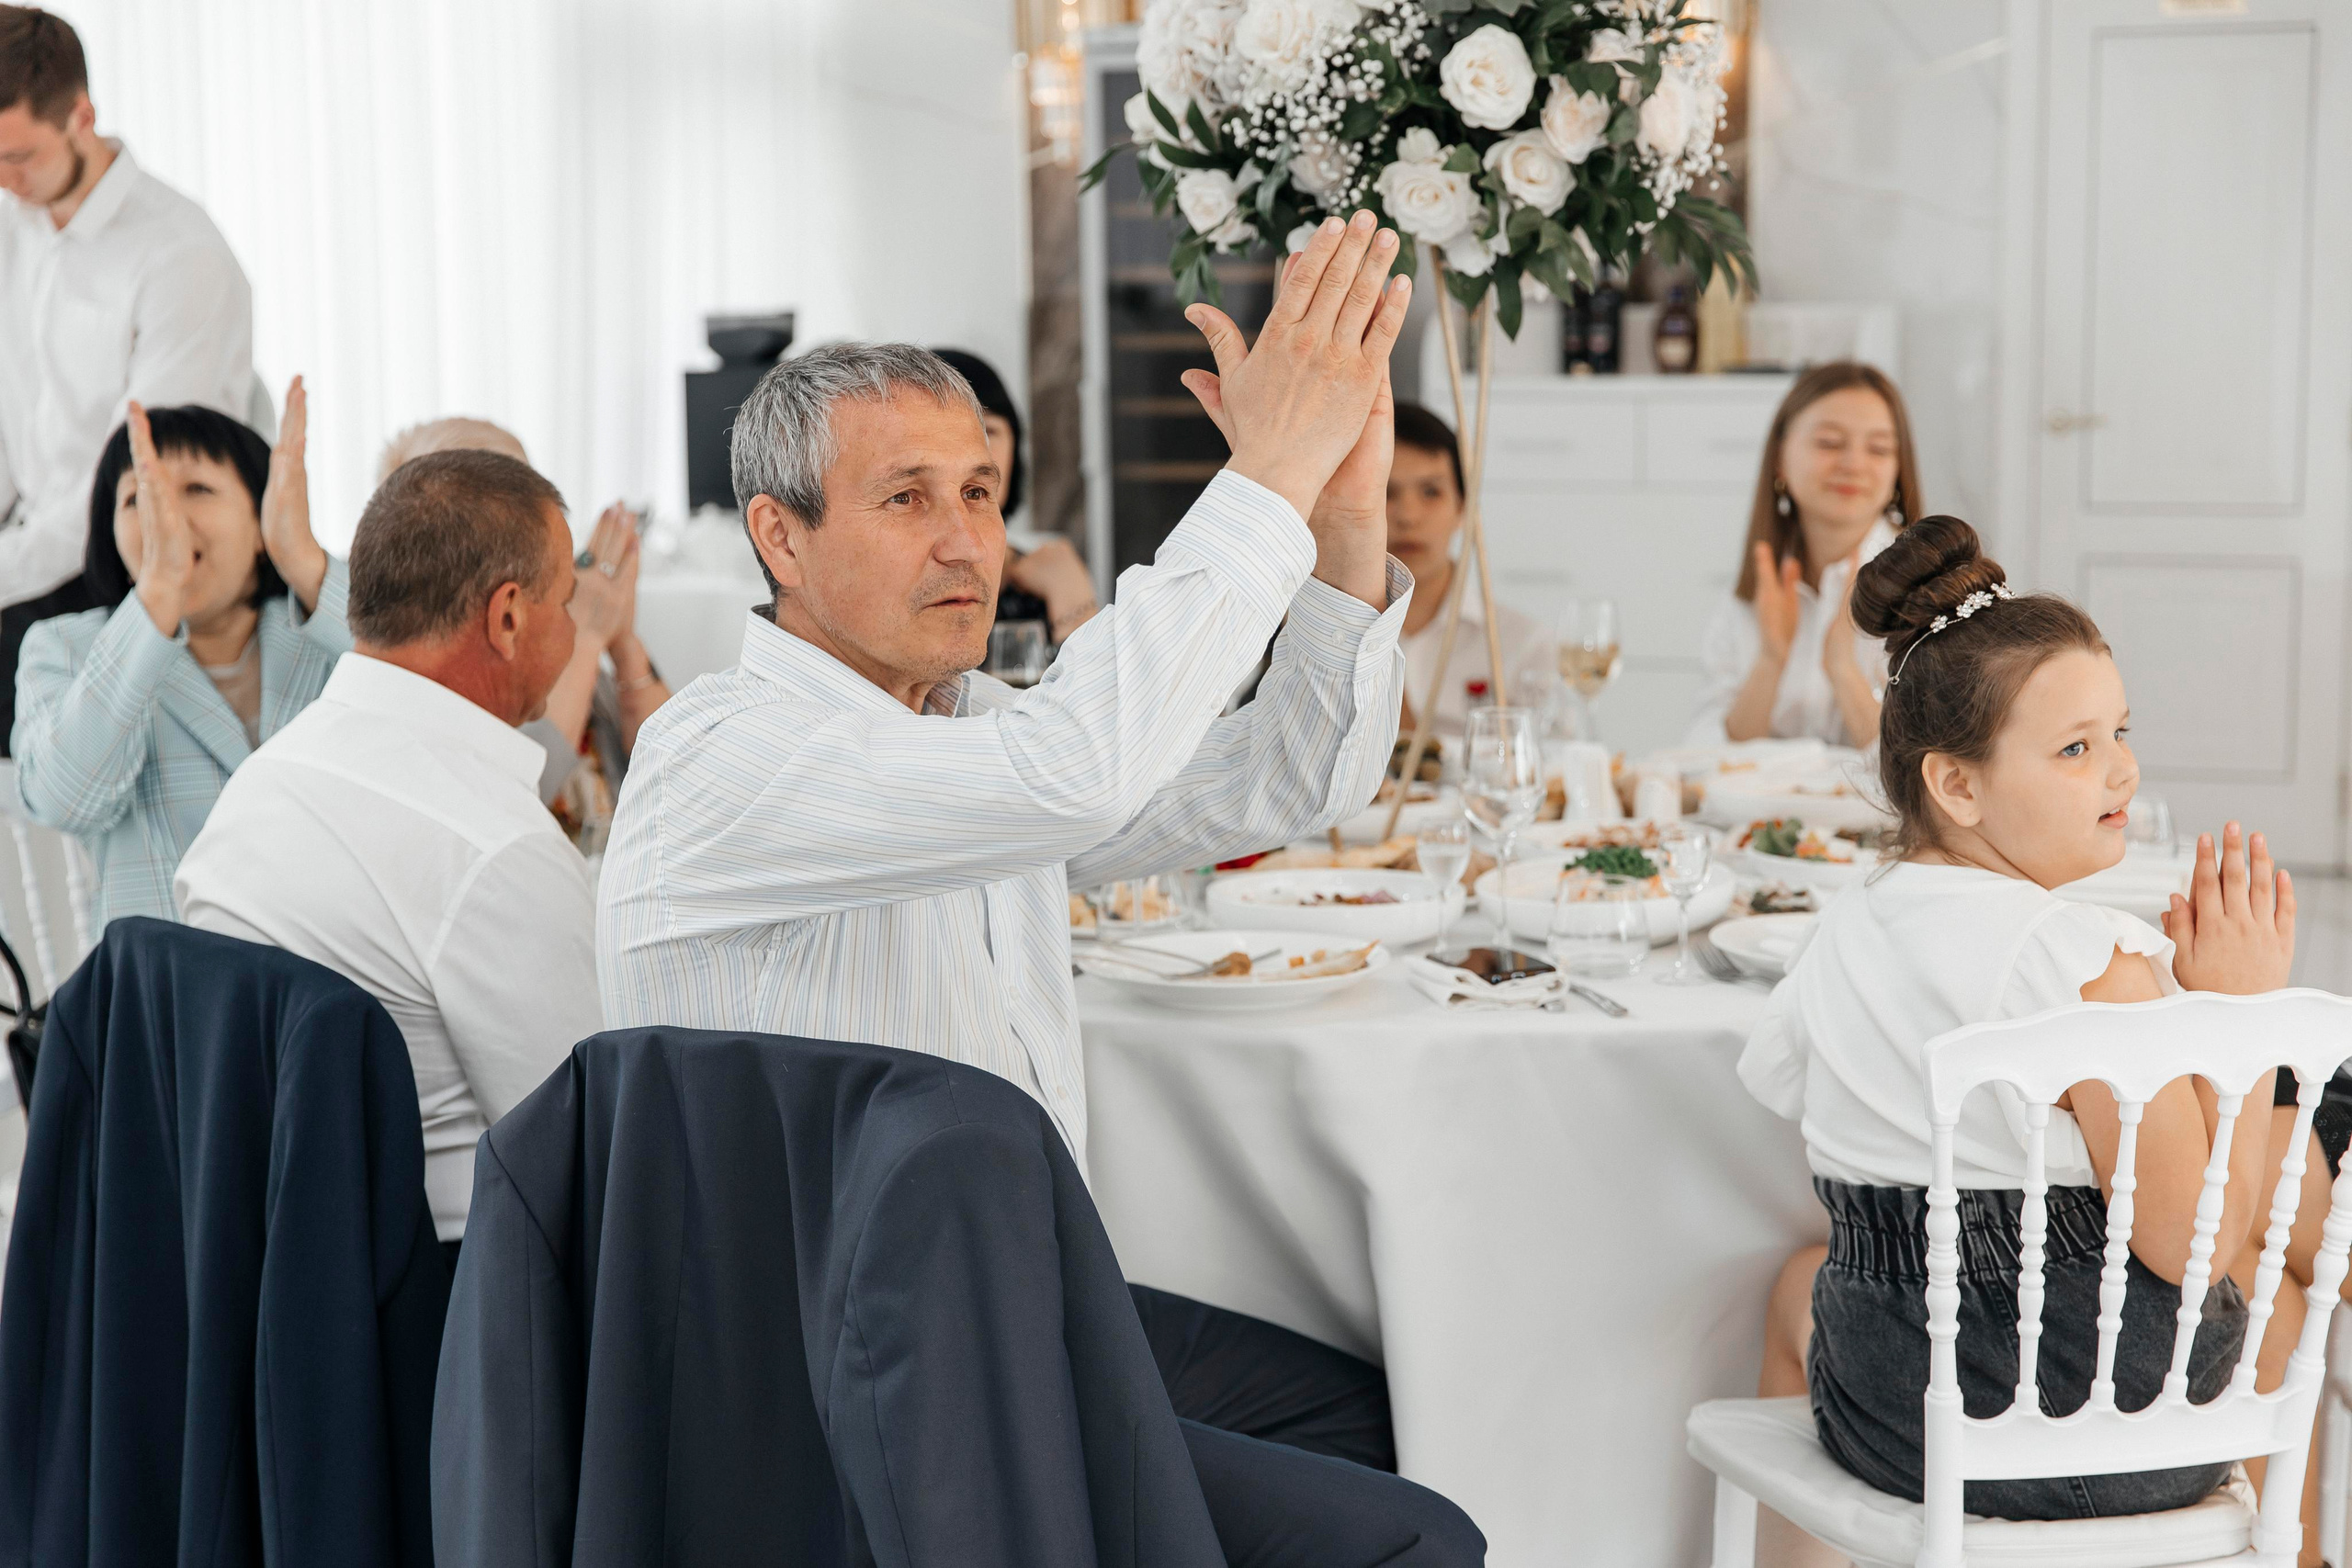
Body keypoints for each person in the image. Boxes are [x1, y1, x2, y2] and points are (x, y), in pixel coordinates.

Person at [601, 216, 1482, 1566]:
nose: (970, 542)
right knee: (1416, 1539)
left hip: (1018, 1311)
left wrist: (1342, 506)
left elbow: (1285, 779)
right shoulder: (728, 756)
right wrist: (1263, 474)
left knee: (1370, 1407)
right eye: (908, 499)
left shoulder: (962, 730)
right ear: (778, 536)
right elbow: (1079, 767)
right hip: (856, 1376)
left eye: (980, 491)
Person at [1739, 515, 2301, 1529]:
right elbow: (2200, 1245)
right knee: (2262, 1286)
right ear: (1954, 784)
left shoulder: (1837, 931)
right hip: (2089, 1424)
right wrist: (2239, 1016)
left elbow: (1790, 1091)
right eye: (2076, 749)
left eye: (2120, 732)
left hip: (1884, 1418)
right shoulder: (2085, 960)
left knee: (1796, 1281)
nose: (2122, 771)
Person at [175, 449, 602, 1256]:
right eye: (569, 601)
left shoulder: (262, 782)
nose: (576, 629)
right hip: (447, 1307)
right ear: (508, 617)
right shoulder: (494, 848)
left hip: (254, 1274)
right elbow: (596, 1156)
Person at [12, 383, 339, 924]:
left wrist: (305, 563)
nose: (166, 515)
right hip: (170, 998)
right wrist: (159, 592)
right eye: (138, 496)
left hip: (338, 989)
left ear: (263, 522)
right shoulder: (66, 648)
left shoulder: (327, 632)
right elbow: (63, 799)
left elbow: (433, 701)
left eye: (197, 490)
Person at [0, 6, 253, 627]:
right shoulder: (16, 222)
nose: (4, 180)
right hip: (28, 542)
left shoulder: (181, 259)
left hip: (121, 563)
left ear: (81, 117)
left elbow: (134, 481)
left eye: (19, 156)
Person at [378, 415, 671, 807]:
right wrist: (587, 635)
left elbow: (681, 771)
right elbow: (516, 800)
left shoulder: (556, 630)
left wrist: (621, 637)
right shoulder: (420, 678)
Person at [1687, 362, 1923, 747]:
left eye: (1879, 449)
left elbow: (1932, 771)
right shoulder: (1756, 590)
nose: (1853, 465)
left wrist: (1842, 668)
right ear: (1780, 458)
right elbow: (1705, 753)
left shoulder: (1931, 588)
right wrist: (1770, 660)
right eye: (1829, 443)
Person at [1385, 400, 1551, 736]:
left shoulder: (1522, 646)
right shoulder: (1312, 635)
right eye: (1385, 492)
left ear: (1463, 508)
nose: (1408, 516)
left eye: (1431, 492)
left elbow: (1552, 771)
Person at [933, 346, 1102, 644]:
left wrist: (1075, 605)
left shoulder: (1049, 574)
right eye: (944, 433)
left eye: (988, 431)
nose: (971, 455)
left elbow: (1096, 688)